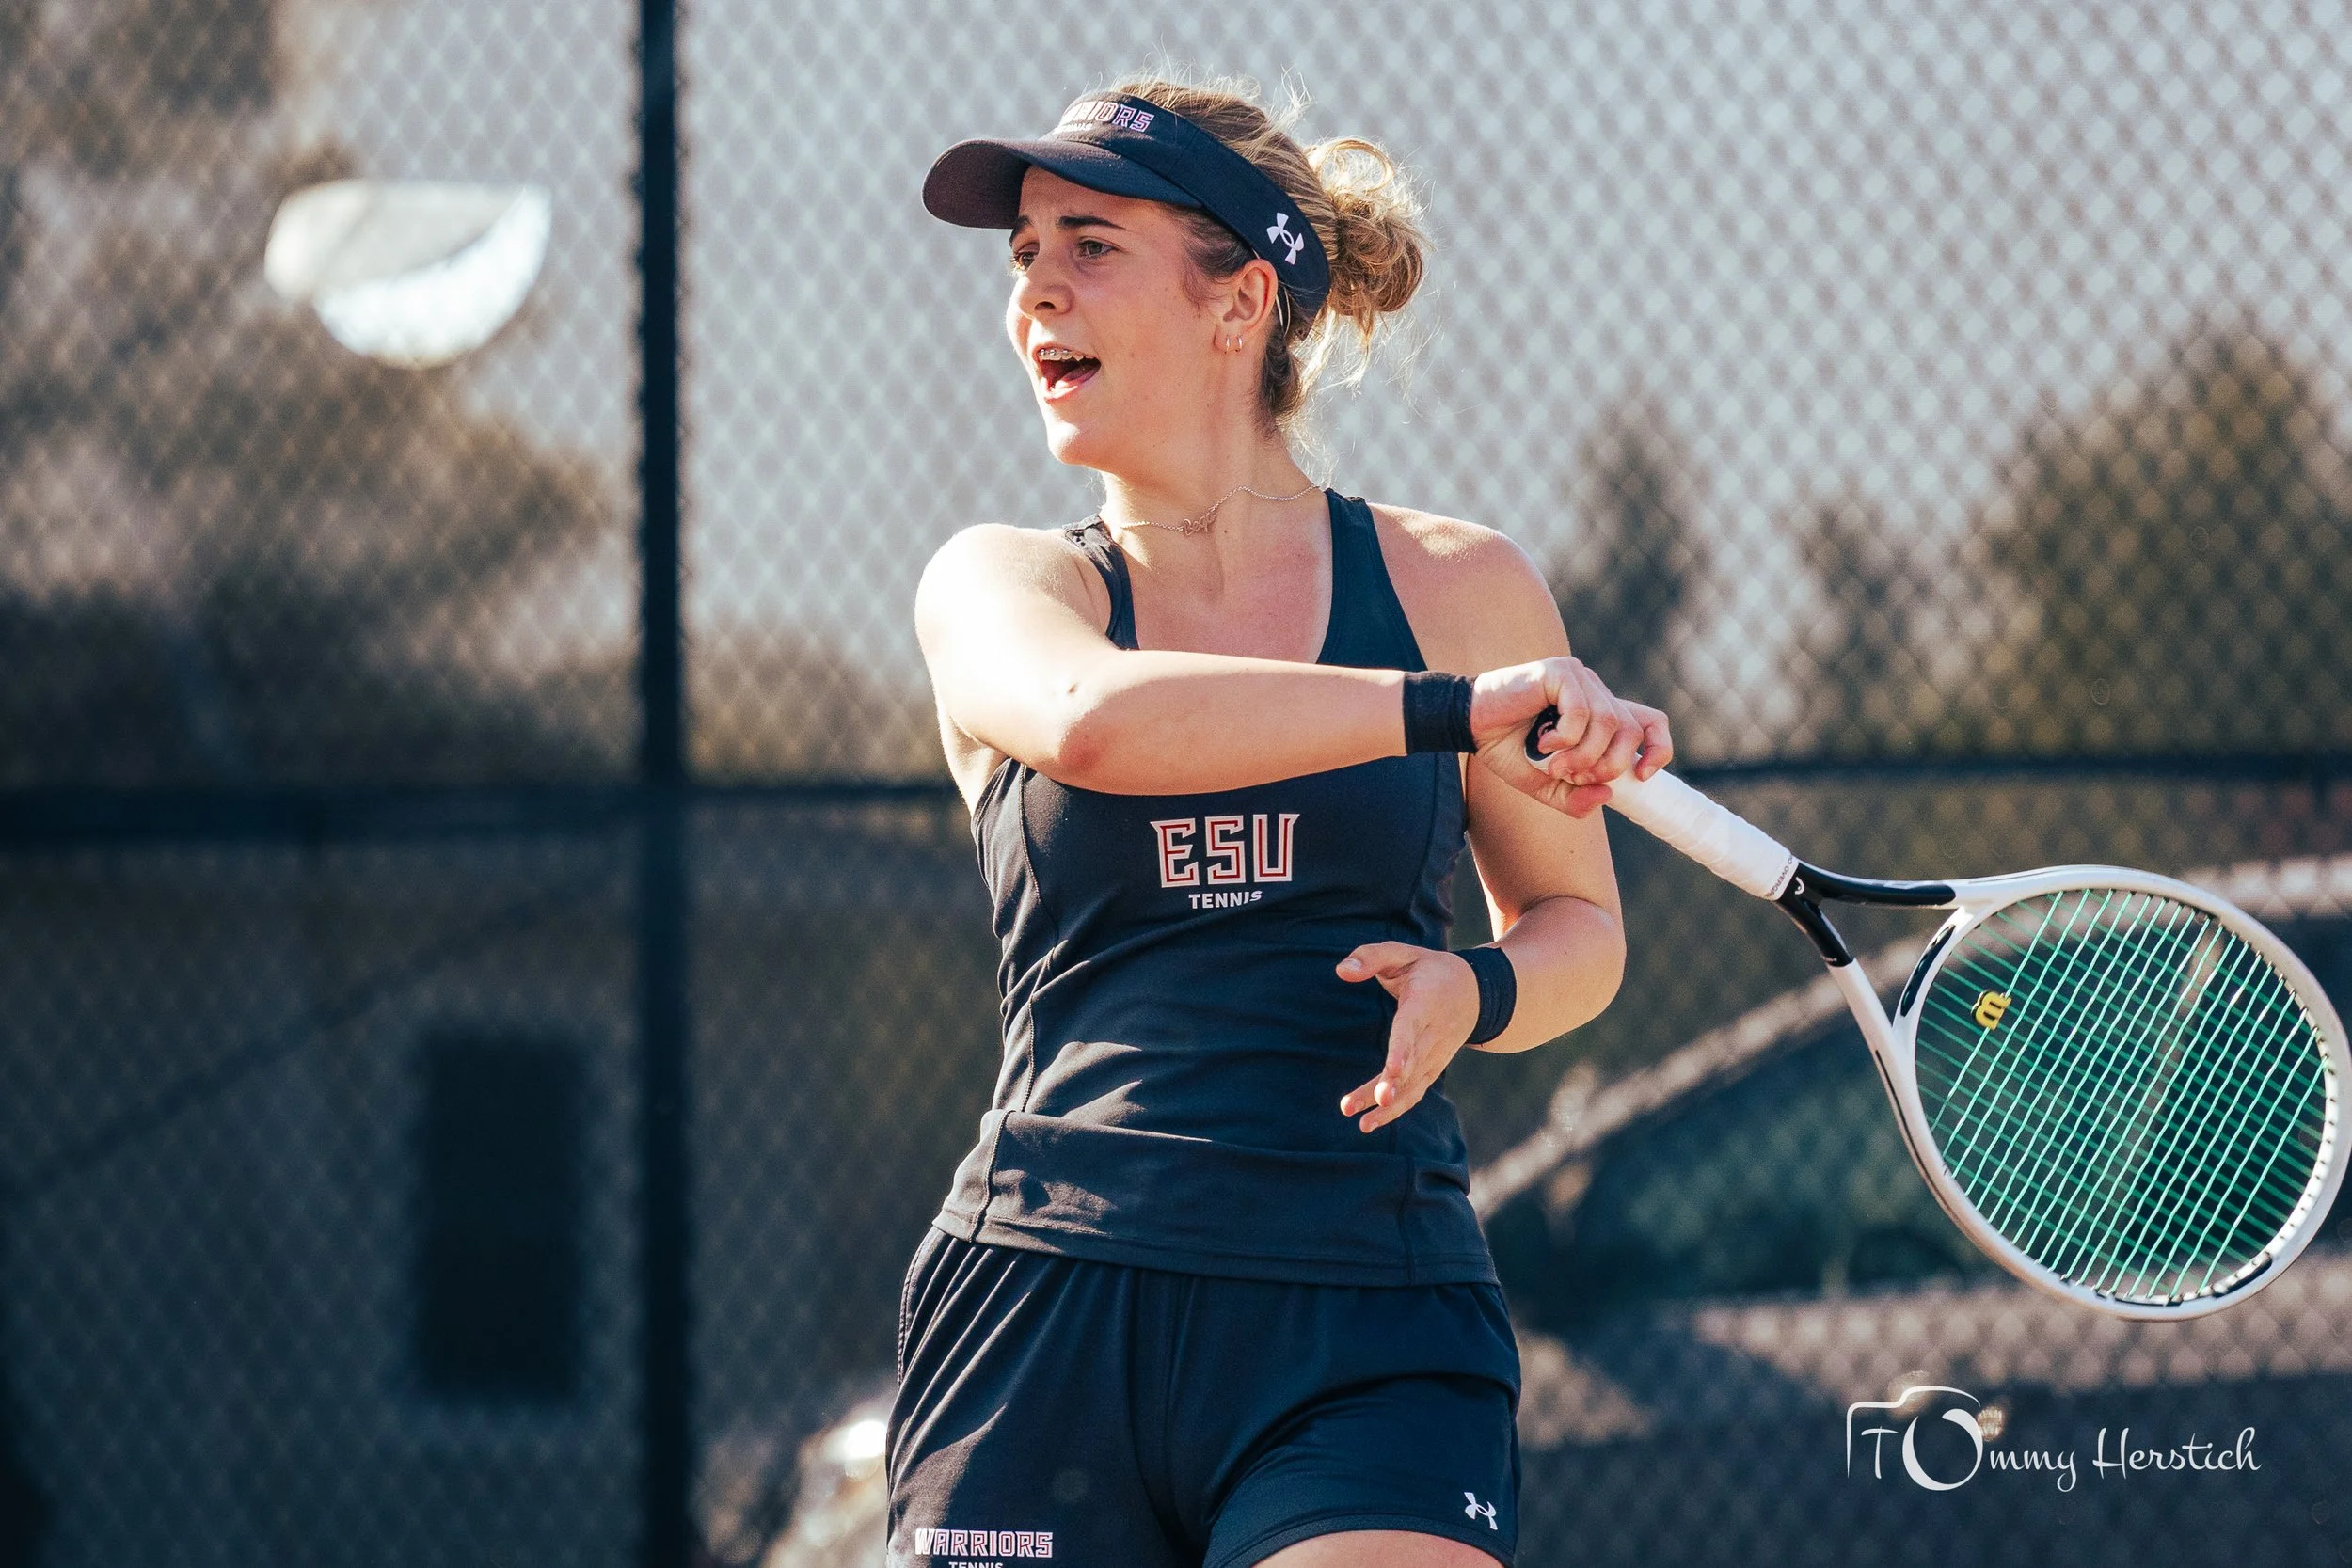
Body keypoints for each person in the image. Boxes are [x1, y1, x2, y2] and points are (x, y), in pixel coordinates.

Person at [892, 73, 1671, 1568]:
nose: (1034, 290)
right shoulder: (1003, 585)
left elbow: (1579, 930)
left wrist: (1480, 989)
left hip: (1364, 1310)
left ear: (1240, 301)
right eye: (1024, 252)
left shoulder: (1461, 587)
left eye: (1090, 245)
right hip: (1045, 1306)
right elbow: (1099, 723)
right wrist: (1448, 708)